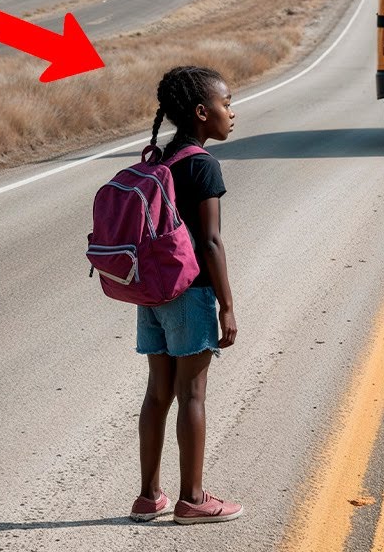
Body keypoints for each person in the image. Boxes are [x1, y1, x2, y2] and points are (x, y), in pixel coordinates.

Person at [129, 65, 243, 525]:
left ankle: (147, 496)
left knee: (158, 393)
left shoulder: (162, 158)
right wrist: (228, 306)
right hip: (190, 293)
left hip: (152, 294)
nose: (232, 113)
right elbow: (210, 242)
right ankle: (193, 499)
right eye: (226, 103)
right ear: (202, 112)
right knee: (192, 394)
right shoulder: (202, 164)